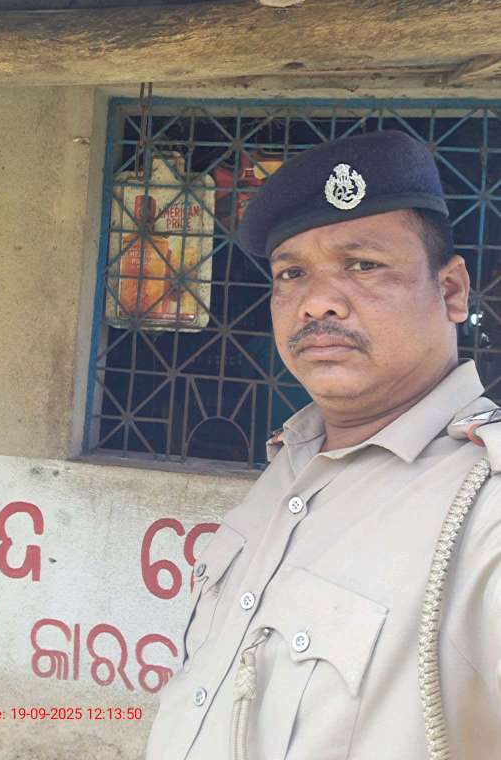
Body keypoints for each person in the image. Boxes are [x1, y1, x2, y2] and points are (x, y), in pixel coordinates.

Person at [146, 130, 501, 760]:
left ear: (450, 291)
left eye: (363, 265)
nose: (317, 303)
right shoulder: (290, 464)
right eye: (292, 273)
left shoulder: (485, 510)